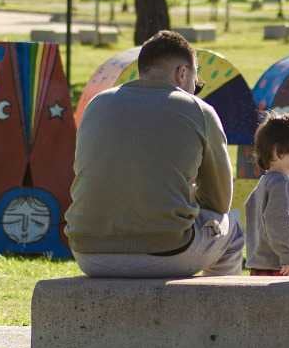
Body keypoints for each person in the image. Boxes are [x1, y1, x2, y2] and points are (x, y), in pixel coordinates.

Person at [66, 30, 242, 277]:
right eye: (196, 81)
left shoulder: (97, 104)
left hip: (88, 253)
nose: (194, 88)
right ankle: (218, 313)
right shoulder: (198, 109)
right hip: (168, 251)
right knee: (232, 229)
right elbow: (220, 201)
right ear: (182, 73)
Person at [244, 113, 289, 277]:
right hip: (281, 267)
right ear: (277, 151)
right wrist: (288, 255)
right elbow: (278, 221)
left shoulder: (263, 183)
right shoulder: (282, 185)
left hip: (261, 264)